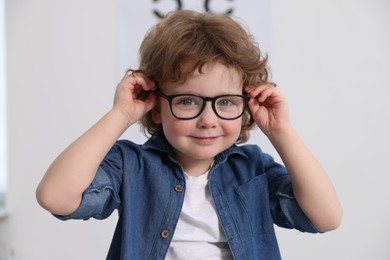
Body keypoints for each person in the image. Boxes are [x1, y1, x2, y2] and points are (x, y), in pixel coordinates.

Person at [36, 10, 342, 260]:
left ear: (245, 105)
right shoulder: (131, 165)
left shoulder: (253, 169)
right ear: (156, 107)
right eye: (187, 101)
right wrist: (121, 115)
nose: (208, 120)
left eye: (225, 102)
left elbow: (326, 218)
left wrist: (281, 131)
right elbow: (55, 197)